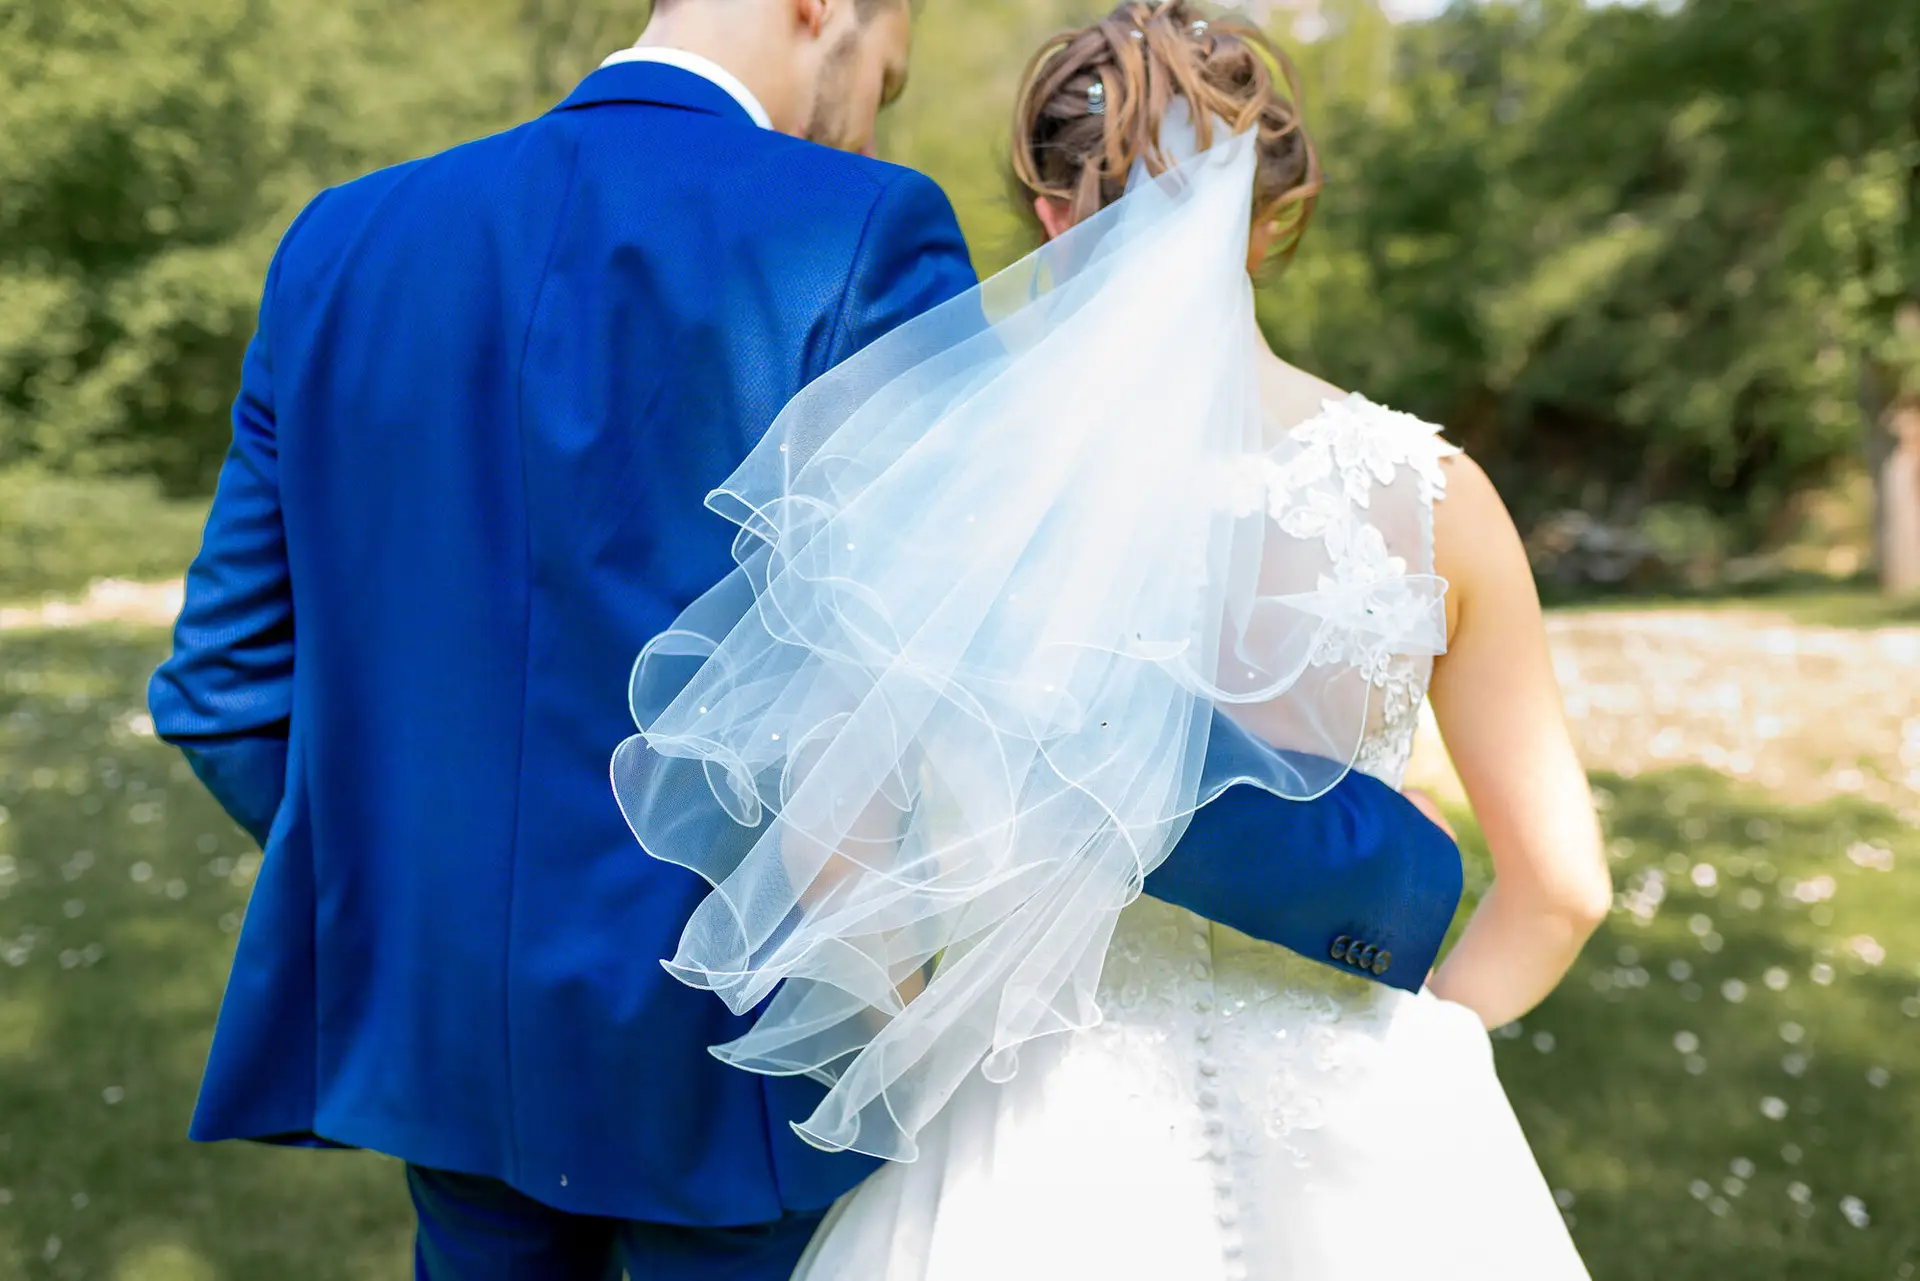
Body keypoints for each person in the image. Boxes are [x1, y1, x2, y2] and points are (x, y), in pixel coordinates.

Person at [146, 0, 1462, 1277]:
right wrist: (1381, 873)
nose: (871, 126)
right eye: (886, 78)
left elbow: (220, 688)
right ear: (820, 7)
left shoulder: (343, 241)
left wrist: (418, 896)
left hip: (441, 1048)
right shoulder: (855, 230)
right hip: (734, 1065)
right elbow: (1024, 686)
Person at [614, 4, 1613, 1278]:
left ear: (1052, 217)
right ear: (1275, 214)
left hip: (1037, 1143)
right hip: (1363, 1130)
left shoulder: (951, 500)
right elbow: (1563, 891)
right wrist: (1414, 1059)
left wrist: (935, 1052)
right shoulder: (1435, 499)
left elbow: (835, 862)